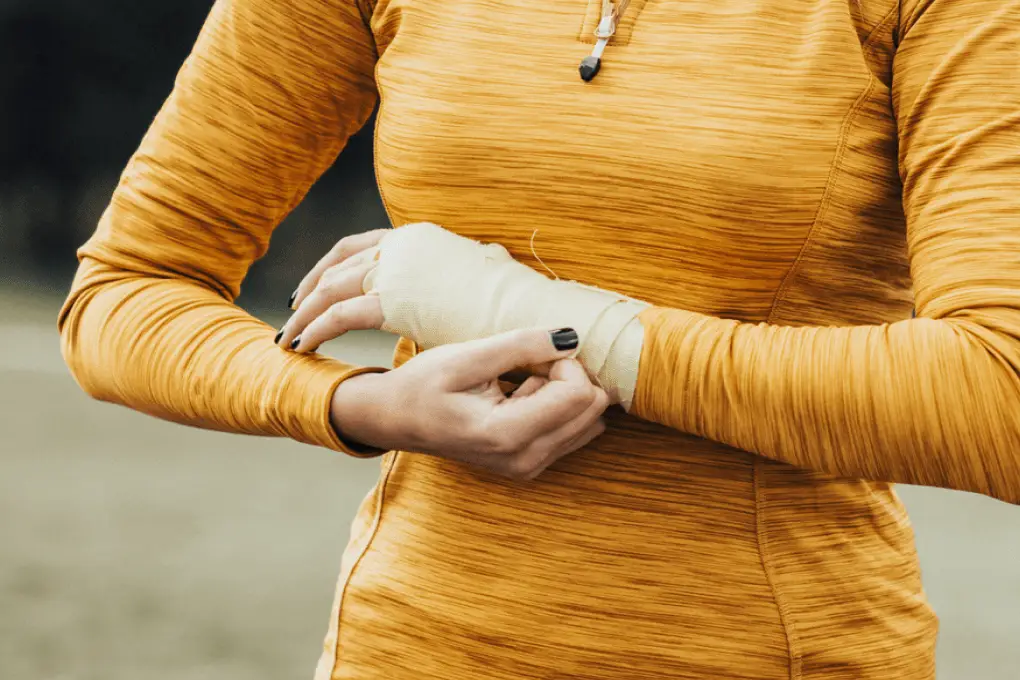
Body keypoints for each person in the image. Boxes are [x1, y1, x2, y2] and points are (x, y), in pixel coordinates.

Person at [58, 0, 1020, 677]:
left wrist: (541, 317)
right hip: (408, 649)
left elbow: (999, 394)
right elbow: (127, 290)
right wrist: (356, 405)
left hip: (779, 651)